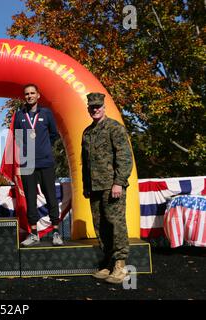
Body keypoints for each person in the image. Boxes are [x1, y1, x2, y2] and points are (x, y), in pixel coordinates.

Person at [81, 92, 133, 284]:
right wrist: (86, 186)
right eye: (92, 107)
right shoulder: (87, 132)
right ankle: (108, 262)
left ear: (104, 107)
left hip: (112, 186)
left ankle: (120, 264)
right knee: (100, 225)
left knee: (115, 224)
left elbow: (125, 157)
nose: (95, 109)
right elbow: (84, 163)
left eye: (98, 106)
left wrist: (118, 182)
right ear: (88, 109)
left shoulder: (114, 128)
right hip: (94, 187)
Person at [14, 83, 63, 247]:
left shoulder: (47, 113)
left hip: (46, 162)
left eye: (32, 93)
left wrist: (44, 148)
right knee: (30, 199)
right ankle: (33, 233)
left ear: (38, 95)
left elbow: (54, 134)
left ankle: (56, 232)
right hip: (28, 164)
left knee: (51, 196)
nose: (29, 96)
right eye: (26, 94)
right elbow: (18, 138)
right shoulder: (19, 115)